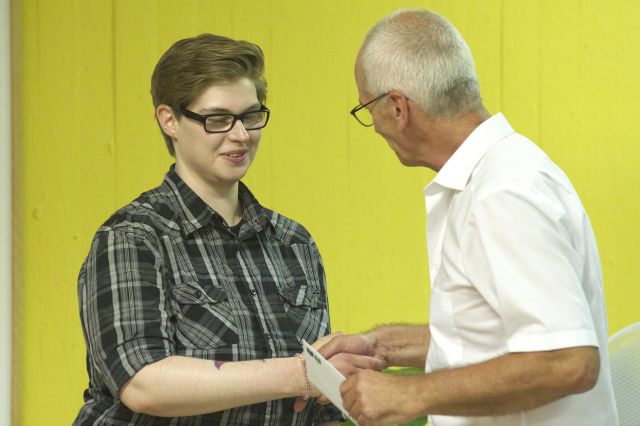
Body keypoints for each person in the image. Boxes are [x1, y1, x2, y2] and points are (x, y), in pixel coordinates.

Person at [318, 9, 619, 426]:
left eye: (367, 107)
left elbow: (569, 361)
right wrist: (382, 347)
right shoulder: (499, 175)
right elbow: (494, 340)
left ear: (398, 107)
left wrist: (410, 393)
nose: (374, 126)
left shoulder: (501, 194)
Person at [74, 33, 384, 425]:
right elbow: (143, 383)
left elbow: (316, 406)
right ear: (169, 120)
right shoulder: (132, 237)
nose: (240, 135)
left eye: (251, 116)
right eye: (217, 119)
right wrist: (302, 373)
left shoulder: (293, 242)